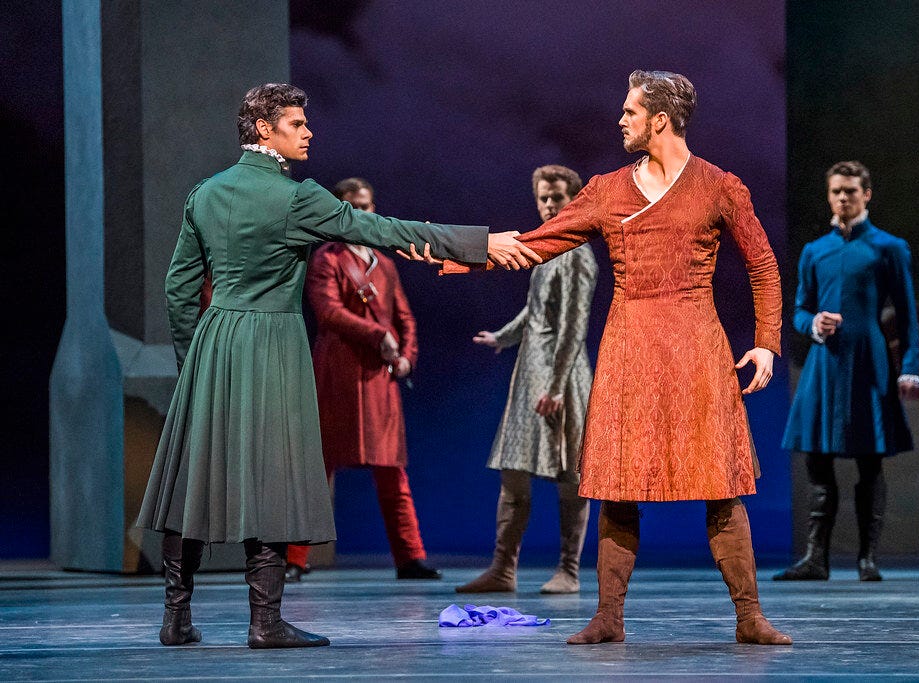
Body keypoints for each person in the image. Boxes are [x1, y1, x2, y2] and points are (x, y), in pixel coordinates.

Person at [136, 83, 538, 649]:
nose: (309, 132)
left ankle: (175, 619)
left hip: (212, 342)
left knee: (193, 478)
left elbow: (179, 290)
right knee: (271, 477)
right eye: (296, 123)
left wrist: (193, 361)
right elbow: (386, 230)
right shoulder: (297, 198)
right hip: (270, 344)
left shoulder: (204, 194)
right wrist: (476, 243)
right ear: (263, 129)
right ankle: (264, 622)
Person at [435, 70, 790, 645]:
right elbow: (538, 243)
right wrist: (453, 250)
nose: (620, 120)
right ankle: (608, 618)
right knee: (619, 485)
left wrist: (766, 342)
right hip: (630, 347)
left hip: (697, 348)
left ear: (660, 120)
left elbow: (764, 266)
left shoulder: (719, 186)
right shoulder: (606, 190)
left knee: (722, 485)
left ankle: (749, 617)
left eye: (630, 112)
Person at [284, 177, 441, 583]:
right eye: (352, 206)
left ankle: (410, 557)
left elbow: (404, 317)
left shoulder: (384, 264)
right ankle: (294, 558)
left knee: (392, 470)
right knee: (318, 467)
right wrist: (379, 335)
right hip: (338, 375)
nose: (361, 213)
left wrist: (407, 357)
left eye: (366, 206)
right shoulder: (327, 259)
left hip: (378, 379)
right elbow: (328, 312)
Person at [777, 161, 919, 583]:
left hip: (868, 362)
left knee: (869, 461)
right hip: (825, 363)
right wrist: (813, 323)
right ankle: (815, 559)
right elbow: (799, 310)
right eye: (837, 191)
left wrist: (909, 368)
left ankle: (867, 559)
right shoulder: (814, 251)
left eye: (851, 191)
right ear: (829, 196)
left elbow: (907, 316)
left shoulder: (888, 247)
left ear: (866, 194)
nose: (843, 197)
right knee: (817, 461)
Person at [456, 165, 597, 595]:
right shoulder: (549, 250)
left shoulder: (576, 253)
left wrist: (556, 386)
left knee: (569, 472)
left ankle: (569, 570)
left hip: (560, 376)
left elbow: (573, 325)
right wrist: (502, 337)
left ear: (573, 200)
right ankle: (503, 569)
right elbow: (536, 312)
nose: (550, 205)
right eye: (543, 198)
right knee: (514, 469)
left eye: (557, 197)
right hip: (530, 374)